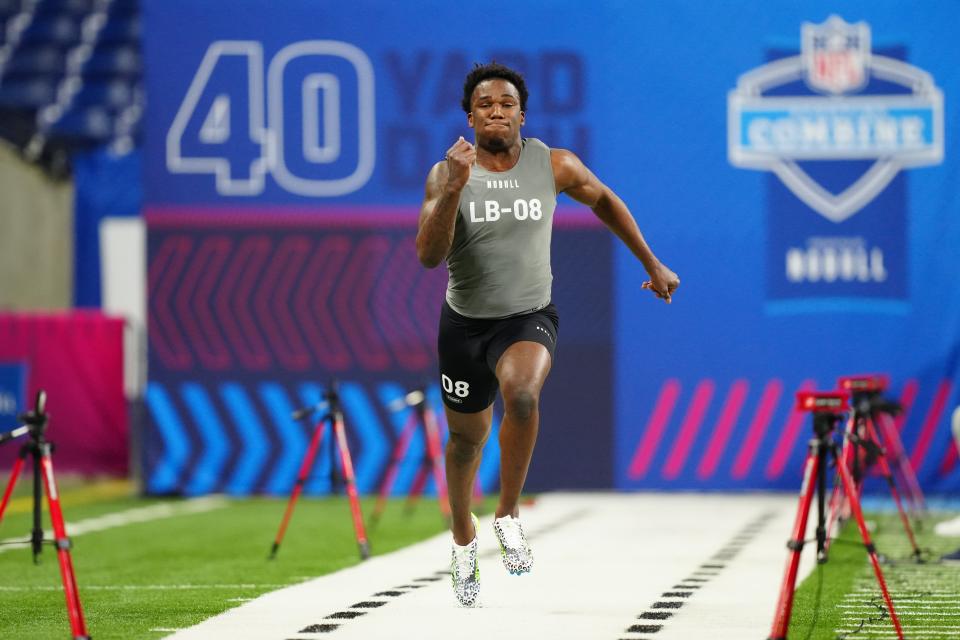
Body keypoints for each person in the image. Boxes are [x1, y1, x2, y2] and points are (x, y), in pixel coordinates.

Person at [416, 62, 680, 607]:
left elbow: (604, 200)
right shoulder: (448, 173)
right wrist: (454, 190)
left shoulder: (553, 164)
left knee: (524, 392)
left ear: (521, 114)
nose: (496, 111)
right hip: (464, 324)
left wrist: (652, 263)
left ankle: (508, 513)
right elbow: (427, 256)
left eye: (506, 103)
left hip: (527, 316)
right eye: (485, 104)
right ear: (470, 116)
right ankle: (463, 540)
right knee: (466, 440)